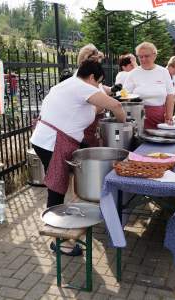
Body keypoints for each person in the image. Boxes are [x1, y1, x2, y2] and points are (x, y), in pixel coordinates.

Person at [31, 60, 126, 255]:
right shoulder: (81, 86)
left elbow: (84, 111)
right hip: (53, 142)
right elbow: (116, 104)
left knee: (63, 183)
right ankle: (59, 241)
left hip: (49, 139)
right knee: (57, 187)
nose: (98, 87)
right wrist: (123, 123)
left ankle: (69, 219)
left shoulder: (69, 85)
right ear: (92, 77)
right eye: (98, 82)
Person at [124, 42, 175, 129]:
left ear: (154, 56)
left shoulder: (163, 72)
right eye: (140, 57)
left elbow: (170, 96)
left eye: (146, 56)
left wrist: (169, 117)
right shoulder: (133, 73)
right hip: (137, 117)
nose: (143, 59)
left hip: (159, 117)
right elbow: (125, 95)